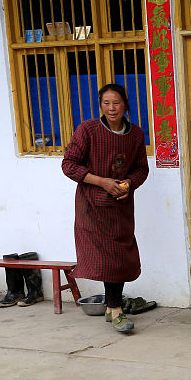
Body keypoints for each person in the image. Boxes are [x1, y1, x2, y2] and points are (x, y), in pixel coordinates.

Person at [62, 83, 149, 333]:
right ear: (100, 105)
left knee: (121, 254)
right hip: (92, 205)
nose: (111, 108)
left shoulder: (134, 134)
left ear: (126, 105)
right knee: (108, 256)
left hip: (121, 204)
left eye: (116, 103)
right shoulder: (88, 130)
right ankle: (117, 309)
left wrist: (128, 183)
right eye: (106, 103)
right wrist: (103, 182)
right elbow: (69, 165)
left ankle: (111, 308)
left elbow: (141, 169)